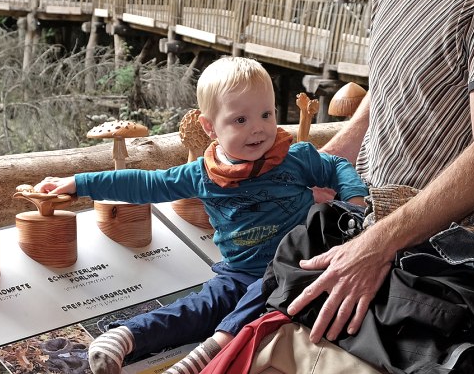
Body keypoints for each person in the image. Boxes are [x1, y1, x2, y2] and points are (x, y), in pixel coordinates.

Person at [34, 56, 368, 374]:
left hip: (293, 269)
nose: (259, 129)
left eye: (266, 114)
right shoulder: (203, 174)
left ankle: (207, 352)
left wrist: (354, 196)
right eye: (241, 119)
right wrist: (79, 184)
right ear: (209, 127)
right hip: (238, 272)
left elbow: (336, 165)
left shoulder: (295, 158)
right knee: (201, 306)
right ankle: (125, 337)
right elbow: (148, 183)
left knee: (267, 294)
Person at [286, 0, 474, 351]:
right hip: (368, 220)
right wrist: (318, 165)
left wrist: (378, 245)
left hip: (445, 256)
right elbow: (382, 89)